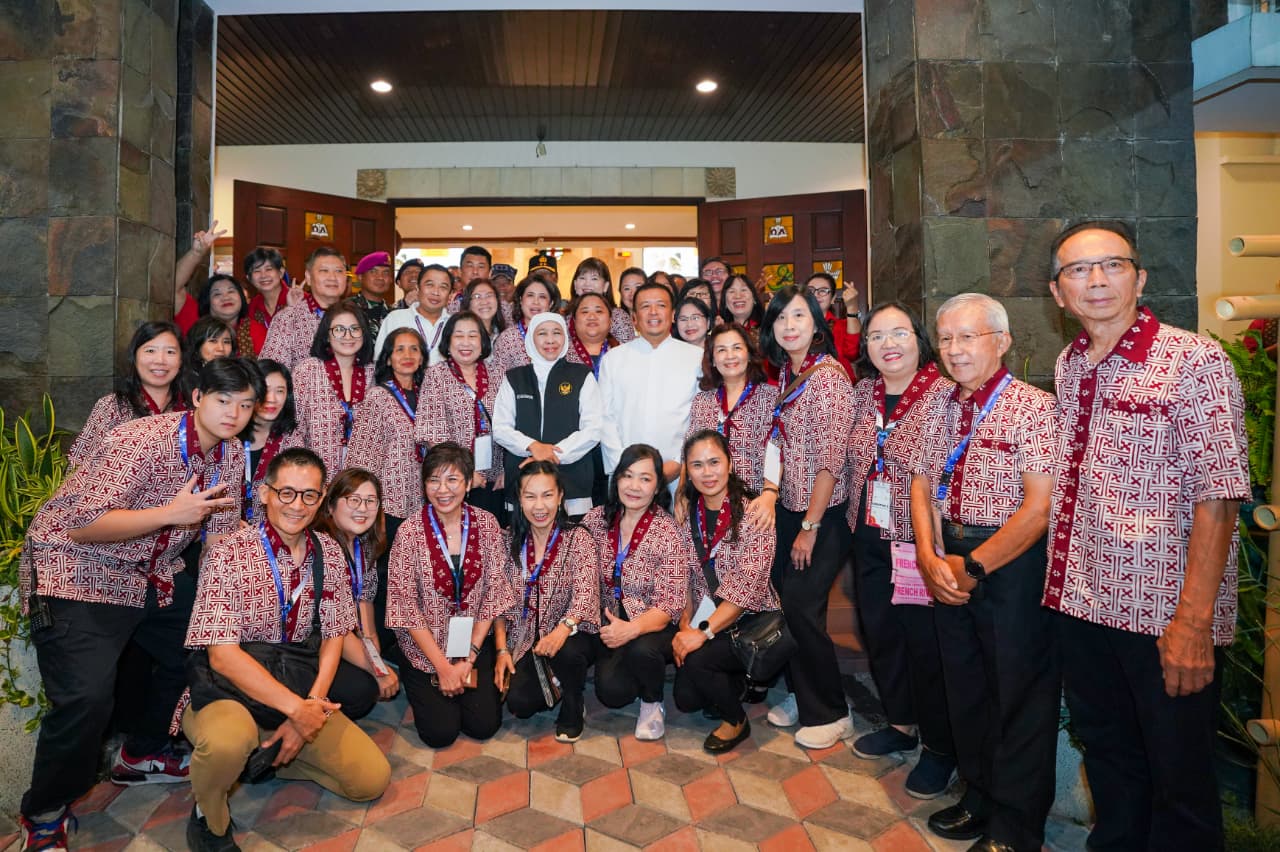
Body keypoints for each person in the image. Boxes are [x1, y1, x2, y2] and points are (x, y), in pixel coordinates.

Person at [1043, 221, 1249, 852]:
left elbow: (1219, 494)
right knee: (1110, 756)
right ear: (1058, 293)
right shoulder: (1070, 364)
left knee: (1179, 782)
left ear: (1140, 279)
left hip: (1163, 614)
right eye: (1078, 270)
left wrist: (1193, 623)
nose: (1096, 280)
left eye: (1112, 265)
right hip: (1082, 605)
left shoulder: (1195, 361)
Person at [17, 359, 259, 851]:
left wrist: (235, 589)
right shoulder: (141, 439)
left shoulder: (231, 453)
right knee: (85, 698)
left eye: (245, 404)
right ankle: (43, 812)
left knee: (206, 644)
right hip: (78, 568)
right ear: (197, 398)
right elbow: (82, 525)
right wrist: (171, 513)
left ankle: (140, 753)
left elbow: (218, 534)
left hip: (152, 572)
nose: (233, 413)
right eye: (223, 400)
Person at [180, 448, 390, 851]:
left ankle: (264, 759)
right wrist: (298, 712)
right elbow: (222, 656)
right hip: (230, 694)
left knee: (370, 780)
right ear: (265, 493)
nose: (297, 505)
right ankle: (210, 814)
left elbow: (333, 635)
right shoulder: (228, 553)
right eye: (286, 493)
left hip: (297, 688)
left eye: (309, 495)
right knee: (226, 744)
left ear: (322, 498)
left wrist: (310, 707)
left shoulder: (328, 551)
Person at [908, 293, 1059, 851]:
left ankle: (1016, 828)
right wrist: (928, 555)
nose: (955, 349)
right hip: (946, 558)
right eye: (946, 338)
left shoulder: (1034, 407)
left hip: (1008, 566)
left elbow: (1039, 509)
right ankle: (978, 794)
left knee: (1018, 695)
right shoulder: (937, 403)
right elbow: (921, 482)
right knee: (965, 686)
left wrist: (972, 565)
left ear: (1003, 341)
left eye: (968, 337)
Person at [843, 302, 957, 799]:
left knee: (924, 645)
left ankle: (940, 747)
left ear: (919, 339)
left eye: (899, 333)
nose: (888, 344)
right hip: (868, 536)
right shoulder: (861, 393)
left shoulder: (945, 393)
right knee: (882, 635)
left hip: (918, 543)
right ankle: (900, 723)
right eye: (876, 336)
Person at [758, 284, 856, 749]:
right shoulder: (789, 372)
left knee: (802, 607)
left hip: (823, 514)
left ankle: (833, 711)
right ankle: (804, 694)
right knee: (789, 606)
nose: (789, 325)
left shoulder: (829, 378)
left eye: (798, 315)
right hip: (789, 506)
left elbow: (831, 462)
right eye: (780, 318)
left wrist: (810, 528)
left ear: (817, 322)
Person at [386, 443, 516, 747]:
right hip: (426, 648)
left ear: (469, 483)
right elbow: (405, 605)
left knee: (483, 725)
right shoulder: (409, 532)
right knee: (439, 733)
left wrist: (468, 659)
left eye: (452, 479)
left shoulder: (487, 524)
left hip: (473, 641)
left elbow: (494, 593)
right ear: (424, 486)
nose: (442, 490)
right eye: (434, 480)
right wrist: (443, 668)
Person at [672, 430, 780, 754]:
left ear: (730, 464)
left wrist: (700, 634)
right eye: (697, 465)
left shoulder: (754, 514)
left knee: (697, 662)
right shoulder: (687, 515)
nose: (707, 473)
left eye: (714, 462)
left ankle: (736, 721)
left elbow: (745, 589)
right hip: (709, 616)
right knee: (686, 699)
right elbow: (685, 576)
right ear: (688, 472)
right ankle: (738, 682)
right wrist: (685, 622)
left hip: (751, 620)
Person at [578, 445, 689, 740]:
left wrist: (631, 630)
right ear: (616, 480)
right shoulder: (595, 520)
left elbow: (670, 604)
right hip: (610, 617)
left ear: (657, 487)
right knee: (612, 692)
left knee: (643, 650)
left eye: (645, 478)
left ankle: (652, 703)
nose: (634, 486)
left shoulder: (667, 531)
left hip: (654, 621)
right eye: (627, 476)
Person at [493, 462, 600, 742]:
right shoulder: (508, 541)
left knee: (569, 653)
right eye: (530, 496)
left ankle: (574, 703)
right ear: (519, 499)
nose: (539, 506)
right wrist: (502, 650)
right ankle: (555, 679)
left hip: (573, 632)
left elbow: (586, 595)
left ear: (560, 496)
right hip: (526, 637)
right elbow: (498, 603)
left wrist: (561, 630)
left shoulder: (578, 538)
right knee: (520, 704)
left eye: (547, 495)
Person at [346, 327, 428, 655]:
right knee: (385, 578)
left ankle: (409, 644)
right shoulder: (378, 397)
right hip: (389, 506)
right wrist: (371, 508)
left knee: (414, 579)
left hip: (423, 505)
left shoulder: (428, 396)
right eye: (399, 349)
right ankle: (382, 645)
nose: (407, 355)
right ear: (389, 358)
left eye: (414, 349)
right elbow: (362, 457)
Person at [494, 312, 604, 519]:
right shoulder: (514, 377)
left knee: (571, 538)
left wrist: (553, 455)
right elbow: (500, 428)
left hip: (571, 481)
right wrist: (532, 446)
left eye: (557, 333)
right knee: (523, 537)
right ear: (531, 339)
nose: (550, 340)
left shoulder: (582, 375)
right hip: (523, 481)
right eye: (542, 333)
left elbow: (593, 428)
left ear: (565, 338)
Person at [598, 282, 703, 483]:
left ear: (673, 314)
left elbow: (700, 417)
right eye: (645, 306)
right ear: (634, 317)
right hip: (625, 473)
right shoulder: (613, 359)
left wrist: (680, 461)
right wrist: (623, 465)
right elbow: (604, 416)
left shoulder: (696, 357)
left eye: (661, 305)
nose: (653, 312)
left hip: (679, 472)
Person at [314, 468, 401, 706]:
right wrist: (377, 671)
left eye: (370, 501)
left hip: (346, 629)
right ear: (330, 505)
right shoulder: (321, 546)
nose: (362, 508)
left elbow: (365, 602)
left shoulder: (363, 544)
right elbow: (333, 625)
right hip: (316, 639)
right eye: (353, 500)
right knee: (362, 689)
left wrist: (376, 659)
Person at [417, 312, 504, 516]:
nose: (466, 342)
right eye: (459, 336)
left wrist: (508, 469)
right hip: (452, 482)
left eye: (472, 335)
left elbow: (512, 422)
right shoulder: (436, 375)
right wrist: (465, 473)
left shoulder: (498, 373)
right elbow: (433, 432)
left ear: (483, 342)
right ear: (448, 342)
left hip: (495, 481)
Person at [69, 320, 185, 468]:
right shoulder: (112, 406)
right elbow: (78, 465)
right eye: (150, 351)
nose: (160, 360)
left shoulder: (192, 409)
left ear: (181, 360)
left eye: (170, 352)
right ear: (134, 357)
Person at [685, 324, 778, 498]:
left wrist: (770, 493)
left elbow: (778, 450)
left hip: (755, 500)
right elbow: (689, 451)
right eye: (721, 350)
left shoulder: (771, 397)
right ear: (713, 360)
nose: (730, 356)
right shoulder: (702, 401)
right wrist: (682, 493)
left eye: (736, 348)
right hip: (708, 500)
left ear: (749, 354)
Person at [292, 300, 375, 485]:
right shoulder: (307, 370)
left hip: (360, 481)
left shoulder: (373, 373)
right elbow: (294, 429)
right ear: (327, 335)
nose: (348, 336)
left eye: (355, 329)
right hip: (314, 478)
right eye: (339, 329)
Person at [261, 247, 349, 370]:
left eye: (339, 271)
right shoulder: (288, 318)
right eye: (324, 271)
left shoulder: (356, 317)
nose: (332, 277)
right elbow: (271, 371)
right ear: (308, 277)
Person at [242, 359, 305, 524]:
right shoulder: (229, 434)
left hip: (273, 529)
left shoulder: (292, 440)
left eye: (280, 391)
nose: (272, 398)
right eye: (265, 390)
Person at [375, 263, 453, 367]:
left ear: (450, 294)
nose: (435, 292)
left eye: (443, 287)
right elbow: (380, 360)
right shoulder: (395, 319)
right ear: (417, 288)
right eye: (429, 285)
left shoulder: (455, 324)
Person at [492, 275, 560, 374]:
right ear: (520, 300)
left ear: (551, 304)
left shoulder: (560, 336)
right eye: (530, 295)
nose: (536, 302)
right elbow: (497, 377)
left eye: (542, 297)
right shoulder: (507, 339)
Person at [173, 221, 228, 334]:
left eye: (231, 291)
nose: (225, 297)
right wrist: (196, 253)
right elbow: (174, 287)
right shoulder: (195, 317)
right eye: (217, 294)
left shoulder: (253, 328)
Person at [804, 272, 862, 375]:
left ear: (833, 298)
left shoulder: (843, 326)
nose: (816, 294)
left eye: (823, 290)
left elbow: (853, 353)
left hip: (837, 382)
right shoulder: (792, 326)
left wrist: (852, 307)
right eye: (810, 290)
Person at [568, 257, 635, 343]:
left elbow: (628, 348)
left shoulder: (619, 317)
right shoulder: (565, 316)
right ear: (575, 284)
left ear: (606, 286)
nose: (587, 284)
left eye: (594, 278)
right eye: (582, 278)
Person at [240, 248, 290, 356]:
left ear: (281, 272)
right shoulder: (251, 308)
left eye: (269, 269)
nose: (263, 275)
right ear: (249, 278)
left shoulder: (301, 300)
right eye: (257, 271)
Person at [181, 317, 237, 405]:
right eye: (213, 341)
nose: (221, 348)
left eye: (226, 342)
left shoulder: (238, 376)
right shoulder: (182, 378)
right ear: (197, 345)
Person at [564, 292, 618, 380]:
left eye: (599, 311)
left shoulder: (624, 353)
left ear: (610, 320)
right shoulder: (562, 354)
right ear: (574, 321)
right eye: (585, 312)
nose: (592, 317)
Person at [460, 278, 509, 370]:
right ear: (468, 303)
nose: (484, 302)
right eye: (477, 296)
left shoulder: (505, 336)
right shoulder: (461, 336)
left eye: (489, 295)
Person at [351, 251, 395, 337]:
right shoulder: (347, 309)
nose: (380, 277)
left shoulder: (394, 314)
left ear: (391, 279)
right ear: (360, 277)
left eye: (386, 273)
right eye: (373, 271)